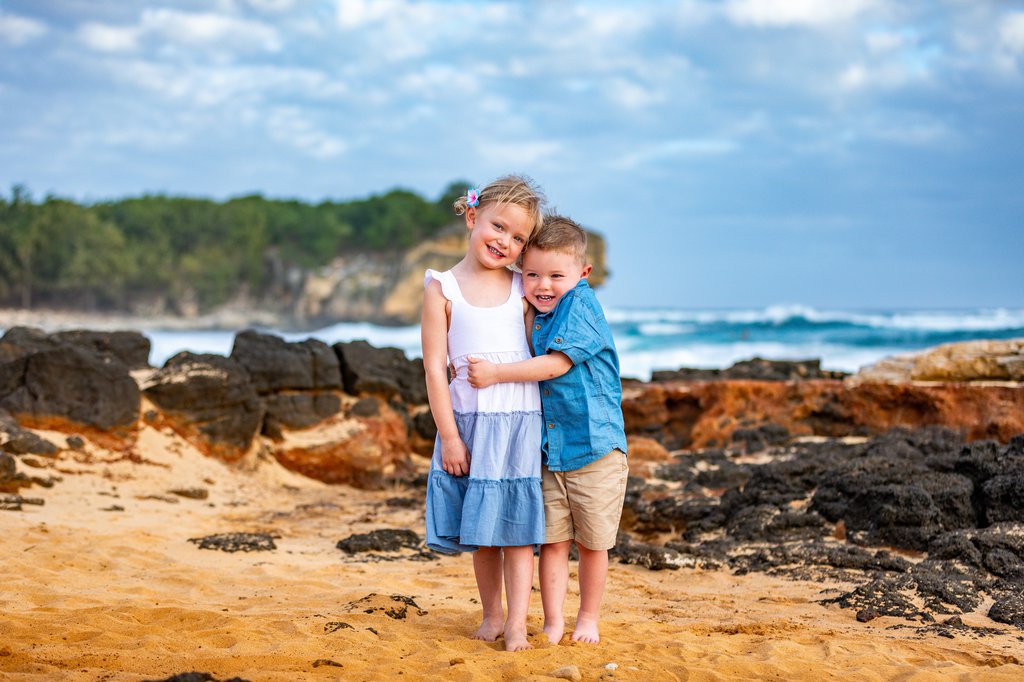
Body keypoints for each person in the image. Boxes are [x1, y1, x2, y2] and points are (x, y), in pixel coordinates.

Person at [467, 216, 628, 645]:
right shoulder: (536, 311)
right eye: (533, 274)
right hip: (550, 449)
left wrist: (496, 374)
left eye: (557, 276)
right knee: (553, 542)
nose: (543, 285)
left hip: (596, 448)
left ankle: (587, 617)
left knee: (592, 543)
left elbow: (556, 365)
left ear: (583, 274)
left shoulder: (582, 307)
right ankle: (553, 621)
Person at [422, 175, 547, 652]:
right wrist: (450, 437)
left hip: (519, 423)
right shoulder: (443, 288)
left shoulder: (522, 288)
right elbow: (435, 369)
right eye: (498, 227)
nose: (505, 242)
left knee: (517, 530)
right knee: (485, 531)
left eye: (518, 238)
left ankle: (517, 622)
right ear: (472, 217)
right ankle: (492, 614)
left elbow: (540, 351)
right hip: (470, 426)